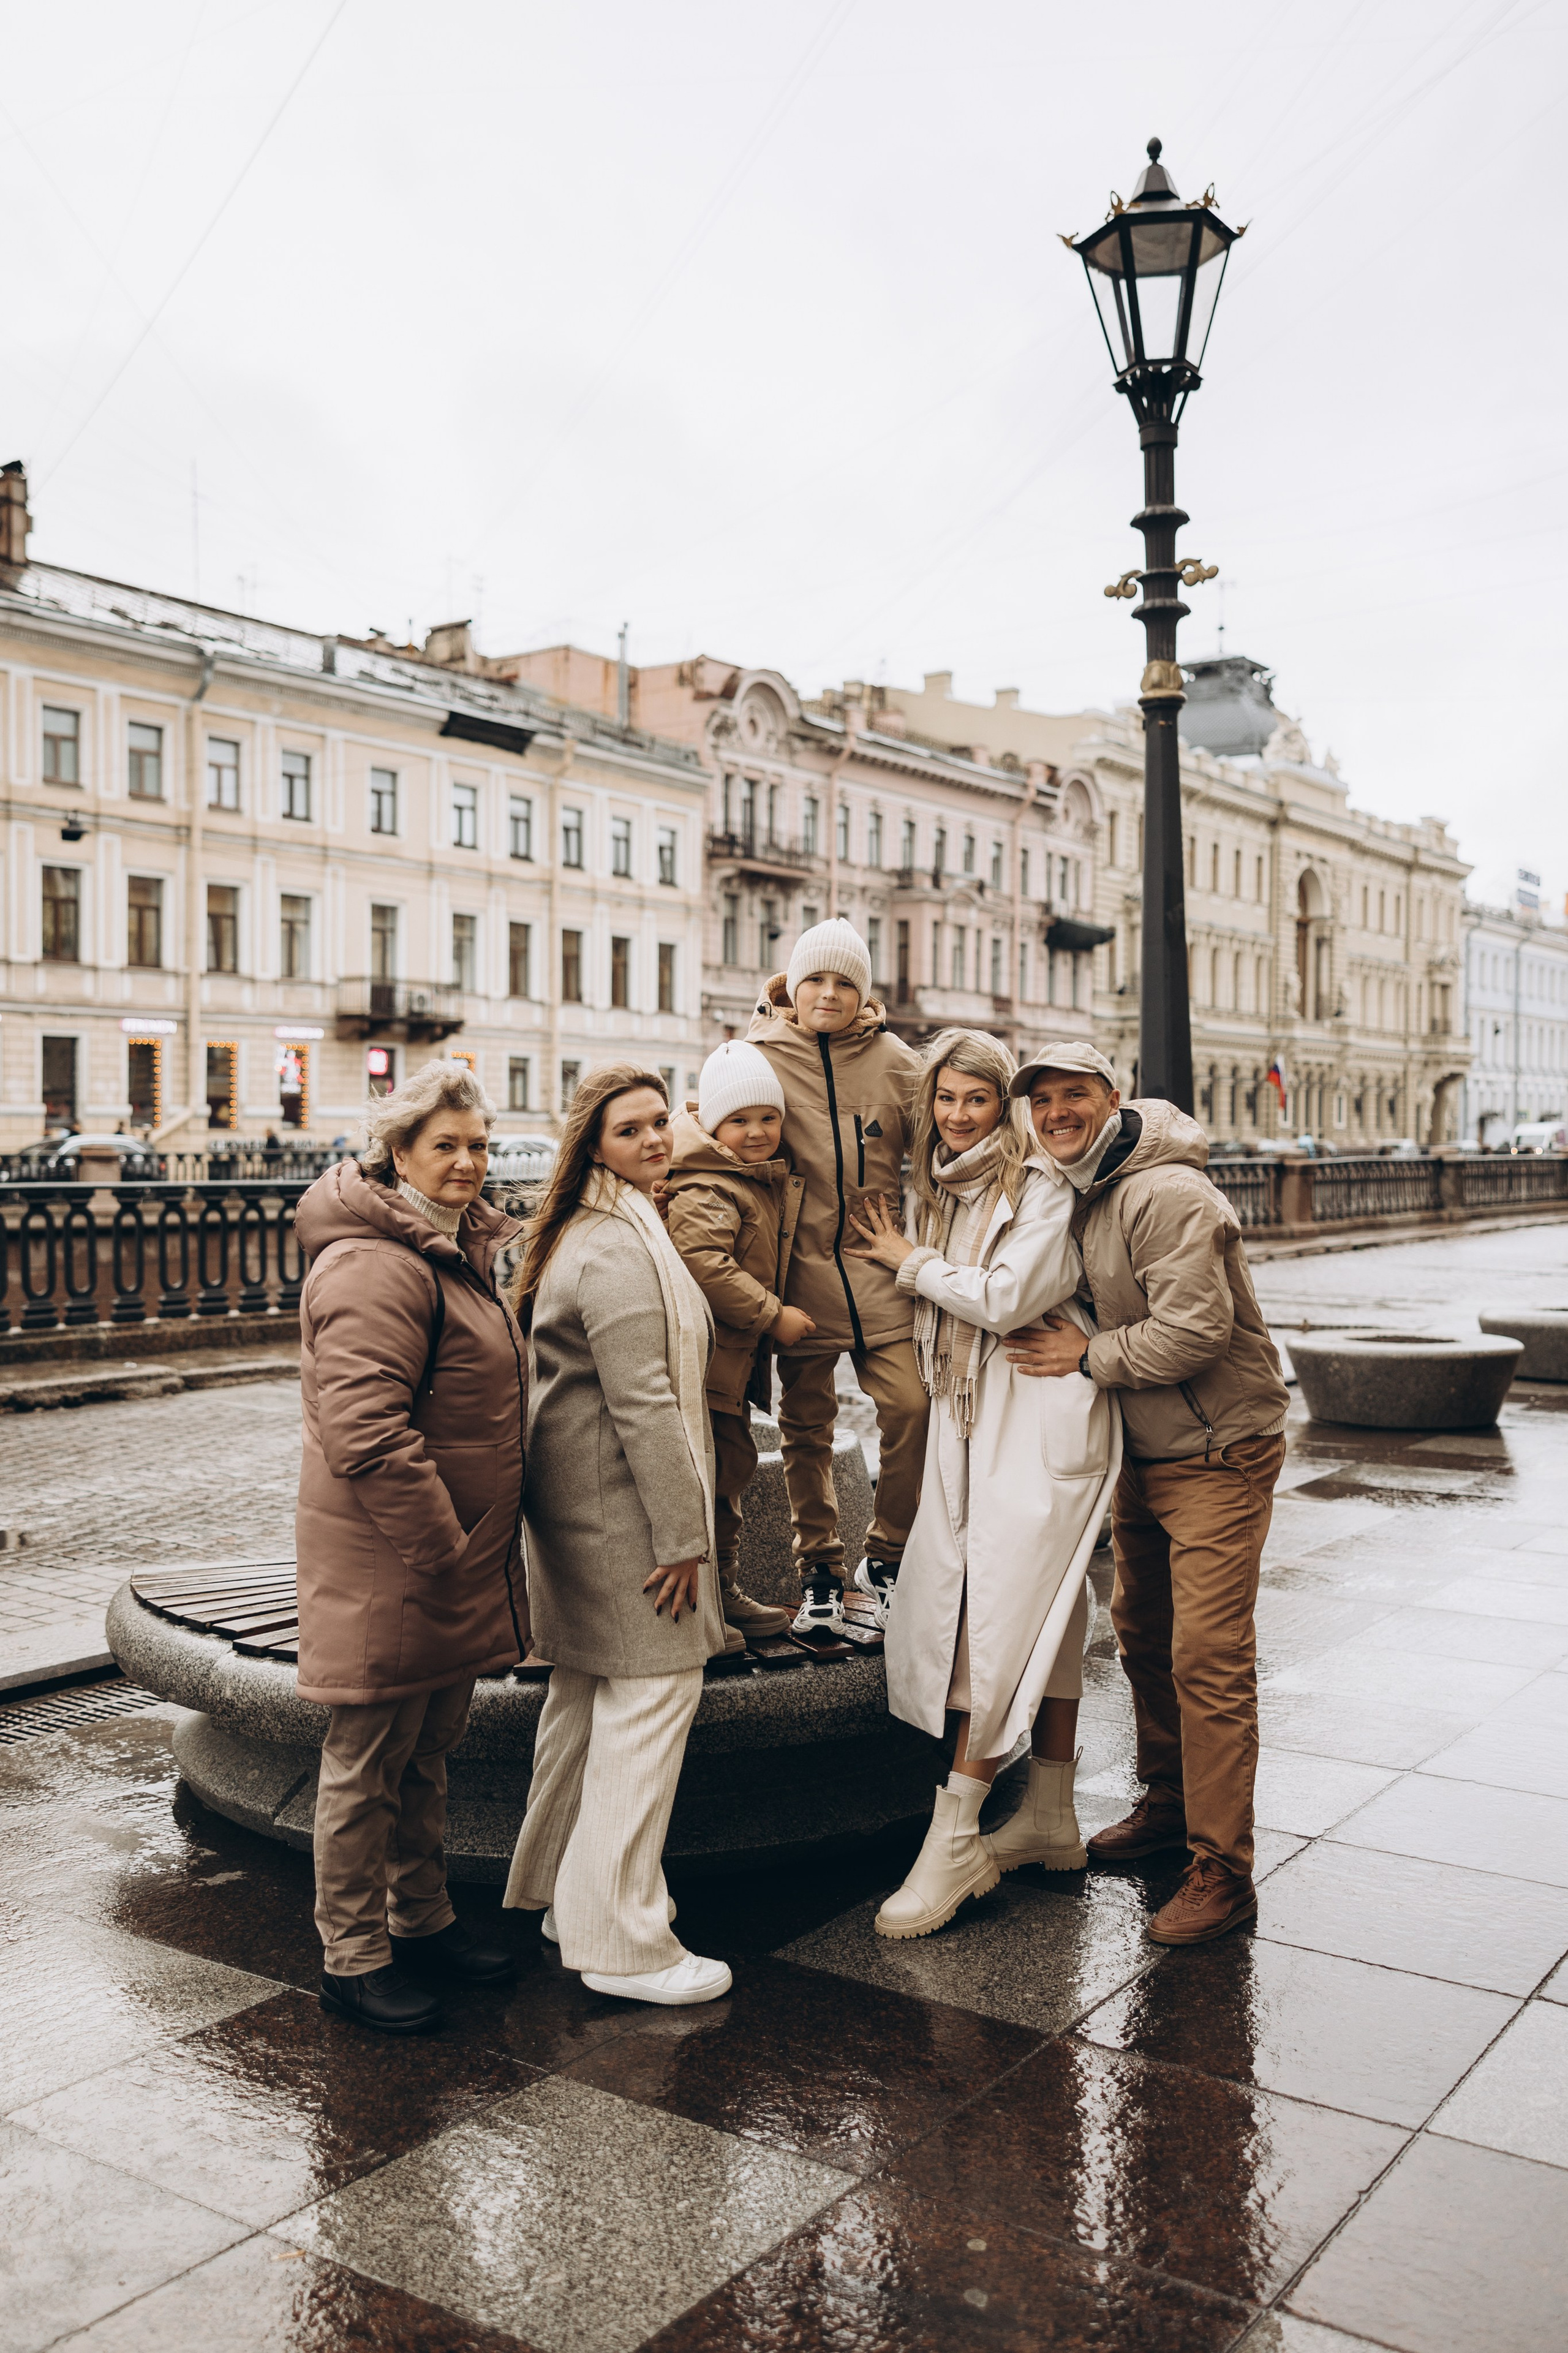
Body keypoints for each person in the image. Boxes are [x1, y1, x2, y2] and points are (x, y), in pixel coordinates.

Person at [1003, 1043, 1290, 1948]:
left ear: (1112, 1098)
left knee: (1208, 1656)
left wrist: (1085, 1356)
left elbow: (1196, 1331)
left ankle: (1223, 1870)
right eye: (1042, 1100)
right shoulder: (1077, 1187)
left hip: (1219, 1450)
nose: (1056, 1112)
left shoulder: (1167, 1193)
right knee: (1140, 1634)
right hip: (1145, 1447)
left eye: (1073, 1095)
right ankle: (1168, 1806)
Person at [846, 1030, 1120, 1940]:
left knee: (994, 1617)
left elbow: (1004, 1298)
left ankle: (956, 1832)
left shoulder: (1036, 1184)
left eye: (980, 1100)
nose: (961, 1115)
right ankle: (1049, 1813)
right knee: (1047, 1609)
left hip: (1039, 1418)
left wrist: (907, 1261)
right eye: (947, 1098)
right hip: (981, 1420)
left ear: (1005, 1107)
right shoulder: (946, 1189)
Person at [295, 1060, 527, 2035]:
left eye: (478, 1144)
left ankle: (421, 1918)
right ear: (399, 1154)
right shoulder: (374, 1263)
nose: (470, 1162)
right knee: (366, 1762)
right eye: (448, 1146)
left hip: (447, 1555)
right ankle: (351, 1957)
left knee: (429, 1750)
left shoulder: (448, 1250)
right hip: (401, 1556)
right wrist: (446, 1546)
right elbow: (366, 1433)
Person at [502, 1063, 732, 2006]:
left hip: (583, 1513)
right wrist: (685, 1538)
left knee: (587, 1708)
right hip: (623, 1519)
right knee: (653, 1702)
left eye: (660, 1123)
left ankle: (566, 1894)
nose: (654, 1141)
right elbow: (644, 1404)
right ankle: (623, 1942)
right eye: (630, 1130)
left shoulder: (600, 1227)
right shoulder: (616, 1247)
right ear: (592, 1144)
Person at [748, 917, 926, 1650]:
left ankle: (884, 1559)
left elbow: (957, 1145)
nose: (828, 993)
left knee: (912, 1407)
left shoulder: (896, 1062)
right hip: (796, 1280)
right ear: (792, 983)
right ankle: (819, 1569)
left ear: (864, 993)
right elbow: (708, 1136)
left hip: (879, 1270)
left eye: (844, 982)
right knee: (806, 1428)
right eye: (815, 979)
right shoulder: (754, 1056)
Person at [665, 1039, 809, 1652]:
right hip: (706, 1366)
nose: (757, 1131)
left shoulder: (742, 1177)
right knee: (714, 1478)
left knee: (729, 1473)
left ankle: (721, 1591)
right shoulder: (710, 1185)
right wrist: (773, 1313)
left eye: (768, 1117)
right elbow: (702, 1261)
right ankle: (709, 1602)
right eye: (740, 1120)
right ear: (715, 1124)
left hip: (728, 1364)